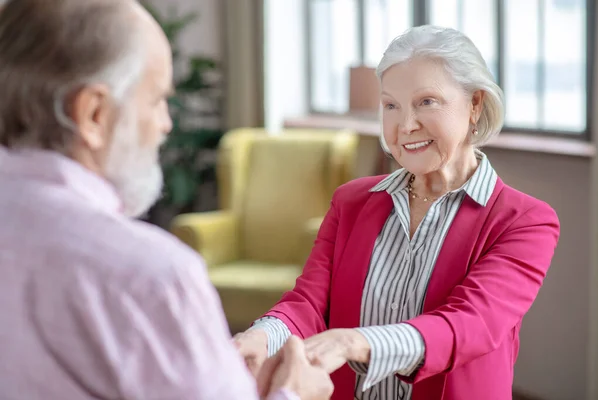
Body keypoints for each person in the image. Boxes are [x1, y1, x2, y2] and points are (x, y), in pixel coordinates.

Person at [0, 0, 333, 399]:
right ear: (93, 114)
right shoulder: (149, 276)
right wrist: (293, 393)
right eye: (157, 99)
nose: (166, 124)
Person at [234, 25, 560, 400]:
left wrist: (355, 342)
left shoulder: (525, 221)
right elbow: (308, 303)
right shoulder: (350, 202)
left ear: (475, 105)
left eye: (427, 102)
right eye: (391, 105)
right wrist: (261, 336)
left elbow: (469, 324)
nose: (405, 126)